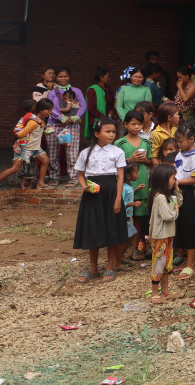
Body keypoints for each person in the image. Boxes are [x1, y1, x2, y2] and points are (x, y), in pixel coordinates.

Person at [73, 117, 127, 283]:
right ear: (97, 134)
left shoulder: (117, 152)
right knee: (92, 228)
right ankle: (93, 268)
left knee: (111, 228)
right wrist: (85, 187)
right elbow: (80, 175)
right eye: (107, 131)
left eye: (113, 132)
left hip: (111, 192)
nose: (112, 135)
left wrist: (118, 198)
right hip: (92, 193)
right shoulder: (86, 153)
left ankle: (110, 266)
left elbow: (120, 177)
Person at [0, 98, 53, 192]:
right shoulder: (33, 122)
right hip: (25, 148)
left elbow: (36, 133)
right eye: (48, 110)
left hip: (35, 147)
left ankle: (40, 183)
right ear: (41, 110)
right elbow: (20, 135)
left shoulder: (41, 119)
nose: (50, 112)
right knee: (15, 168)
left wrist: (46, 132)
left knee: (46, 160)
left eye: (51, 110)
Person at [114, 110, 151, 258]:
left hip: (142, 181)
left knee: (139, 218)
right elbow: (115, 165)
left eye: (139, 124)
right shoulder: (119, 143)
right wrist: (130, 159)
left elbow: (151, 162)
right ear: (125, 124)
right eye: (133, 124)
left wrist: (144, 160)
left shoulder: (146, 143)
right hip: (124, 185)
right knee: (122, 216)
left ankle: (134, 249)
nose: (136, 127)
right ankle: (120, 250)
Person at [148, 164, 183, 304]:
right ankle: (155, 292)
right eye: (173, 178)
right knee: (158, 264)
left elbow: (179, 202)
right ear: (164, 179)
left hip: (168, 234)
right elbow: (168, 216)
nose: (175, 180)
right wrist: (176, 211)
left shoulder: (168, 196)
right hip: (160, 236)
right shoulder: (160, 197)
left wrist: (177, 190)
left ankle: (165, 291)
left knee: (167, 263)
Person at [173, 125, 195, 277]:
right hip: (177, 190)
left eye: (181, 142)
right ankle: (189, 259)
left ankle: (191, 263)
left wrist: (177, 182)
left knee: (187, 227)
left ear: (191, 139)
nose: (179, 145)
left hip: (186, 192)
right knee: (179, 225)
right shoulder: (180, 154)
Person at [47, 68, 88, 183]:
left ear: (69, 77)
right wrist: (60, 117)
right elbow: (49, 107)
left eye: (65, 76)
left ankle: (73, 177)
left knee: (72, 152)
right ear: (56, 78)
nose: (63, 79)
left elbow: (83, 105)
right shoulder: (52, 93)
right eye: (60, 76)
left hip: (72, 124)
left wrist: (76, 117)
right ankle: (54, 176)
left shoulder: (76, 91)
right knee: (53, 152)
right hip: (54, 124)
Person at [84, 68, 112, 140]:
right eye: (108, 76)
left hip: (108, 120)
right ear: (101, 77)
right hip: (96, 122)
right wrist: (102, 117)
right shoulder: (92, 90)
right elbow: (91, 108)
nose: (109, 78)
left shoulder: (108, 90)